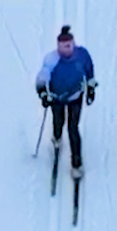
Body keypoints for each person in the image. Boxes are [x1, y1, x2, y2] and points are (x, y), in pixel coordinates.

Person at [36, 26, 97, 174]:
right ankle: (57, 138)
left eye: (69, 46)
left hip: (75, 96)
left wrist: (90, 89)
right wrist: (43, 94)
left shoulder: (82, 55)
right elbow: (41, 79)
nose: (66, 50)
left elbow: (89, 71)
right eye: (62, 47)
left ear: (73, 44)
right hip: (57, 98)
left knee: (73, 128)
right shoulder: (52, 60)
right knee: (58, 121)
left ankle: (76, 164)